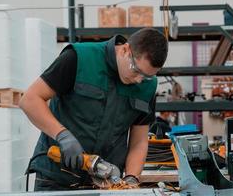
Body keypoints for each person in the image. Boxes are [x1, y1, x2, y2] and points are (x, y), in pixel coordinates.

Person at [19, 28, 168, 191]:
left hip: (105, 184)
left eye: (147, 76)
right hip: (56, 177)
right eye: (136, 70)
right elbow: (30, 100)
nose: (139, 80)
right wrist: (62, 135)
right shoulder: (79, 58)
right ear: (125, 50)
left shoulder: (147, 87)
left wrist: (131, 179)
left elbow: (138, 141)